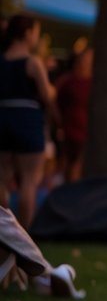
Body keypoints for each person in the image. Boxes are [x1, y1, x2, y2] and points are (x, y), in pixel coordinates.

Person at [0, 14, 58, 227]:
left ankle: (4, 233)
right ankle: (24, 237)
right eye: (36, 32)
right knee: (28, 180)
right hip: (26, 120)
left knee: (2, 178)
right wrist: (53, 89)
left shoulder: (2, 60)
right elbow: (46, 95)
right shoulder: (32, 62)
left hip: (3, 118)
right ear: (27, 34)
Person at [53, 45, 91, 184]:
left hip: (85, 131)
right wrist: (59, 122)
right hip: (69, 129)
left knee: (77, 166)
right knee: (65, 164)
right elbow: (54, 102)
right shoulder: (67, 81)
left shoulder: (94, 83)